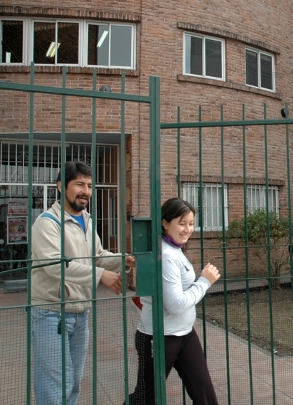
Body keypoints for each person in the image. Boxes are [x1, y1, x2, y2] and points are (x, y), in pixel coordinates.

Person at [30, 161, 136, 405]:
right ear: (60, 186)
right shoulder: (47, 222)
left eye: (89, 185)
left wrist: (123, 260)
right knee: (56, 384)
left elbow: (96, 255)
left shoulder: (86, 220)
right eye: (79, 184)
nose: (86, 191)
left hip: (80, 314)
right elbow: (55, 265)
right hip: (50, 313)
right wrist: (101, 276)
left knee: (73, 383)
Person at [127, 197, 220, 405]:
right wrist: (204, 282)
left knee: (204, 392)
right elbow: (176, 304)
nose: (188, 229)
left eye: (191, 223)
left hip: (185, 333)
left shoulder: (174, 249)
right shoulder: (167, 256)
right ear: (165, 223)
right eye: (182, 223)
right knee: (145, 398)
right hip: (159, 337)